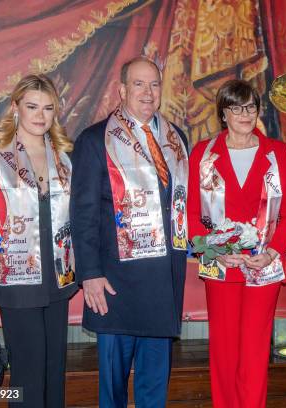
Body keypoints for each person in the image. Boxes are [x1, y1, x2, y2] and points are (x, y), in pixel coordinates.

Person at [70, 57, 189, 407]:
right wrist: (89, 274)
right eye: (139, 84)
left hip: (162, 283)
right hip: (115, 284)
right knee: (114, 389)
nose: (148, 92)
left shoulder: (175, 137)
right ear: (122, 90)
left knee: (154, 388)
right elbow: (83, 213)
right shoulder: (95, 140)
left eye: (154, 84)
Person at [187, 79, 286, 408]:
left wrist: (271, 253)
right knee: (224, 352)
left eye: (250, 106)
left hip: (262, 268)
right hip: (220, 266)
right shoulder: (203, 154)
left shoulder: (276, 153)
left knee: (254, 351)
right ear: (223, 113)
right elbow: (193, 216)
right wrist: (219, 252)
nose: (244, 113)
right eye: (235, 107)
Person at [0, 74, 77, 407]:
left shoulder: (64, 156)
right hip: (16, 281)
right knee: (28, 373)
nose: (40, 116)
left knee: (54, 369)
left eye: (48, 108)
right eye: (32, 106)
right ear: (16, 108)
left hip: (58, 280)